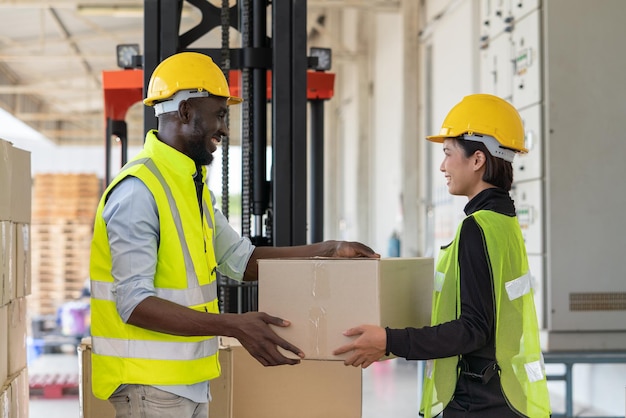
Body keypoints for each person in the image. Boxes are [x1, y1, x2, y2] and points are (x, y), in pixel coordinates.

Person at [89, 51, 379, 418]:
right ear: (185, 111)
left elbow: (242, 261)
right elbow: (134, 303)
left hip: (186, 382)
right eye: (221, 114)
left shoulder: (189, 188)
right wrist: (234, 325)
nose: (225, 129)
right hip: (150, 387)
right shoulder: (139, 191)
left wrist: (329, 250)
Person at [333, 94, 551, 418]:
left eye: (448, 153)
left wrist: (390, 340)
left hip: (478, 401)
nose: (442, 165)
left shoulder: (477, 228)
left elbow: (473, 329)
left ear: (477, 160)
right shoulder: (504, 222)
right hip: (502, 394)